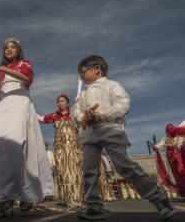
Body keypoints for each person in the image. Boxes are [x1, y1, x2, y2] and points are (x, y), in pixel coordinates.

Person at [71, 55, 176, 220]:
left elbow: (122, 105)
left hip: (111, 131)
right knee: (88, 171)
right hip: (90, 136)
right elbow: (75, 111)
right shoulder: (83, 95)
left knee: (123, 166)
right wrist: (81, 117)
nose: (81, 75)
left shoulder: (113, 85)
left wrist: (101, 114)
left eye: (83, 71)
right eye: (80, 73)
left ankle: (160, 198)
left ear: (97, 69)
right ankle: (93, 206)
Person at [0, 38, 55, 216]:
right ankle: (5, 196)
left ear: (18, 50)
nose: (9, 49)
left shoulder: (23, 64)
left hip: (20, 104)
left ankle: (26, 194)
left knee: (19, 147)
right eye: (6, 48)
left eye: (13, 47)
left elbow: (26, 78)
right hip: (2, 107)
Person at [38, 94, 83, 208]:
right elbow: (41, 118)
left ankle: (75, 199)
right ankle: (65, 198)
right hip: (60, 150)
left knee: (75, 173)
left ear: (68, 103)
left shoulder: (75, 114)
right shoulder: (54, 116)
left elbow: (86, 118)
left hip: (74, 148)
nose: (60, 103)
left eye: (63, 101)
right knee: (62, 173)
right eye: (58, 102)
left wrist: (81, 105)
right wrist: (28, 108)